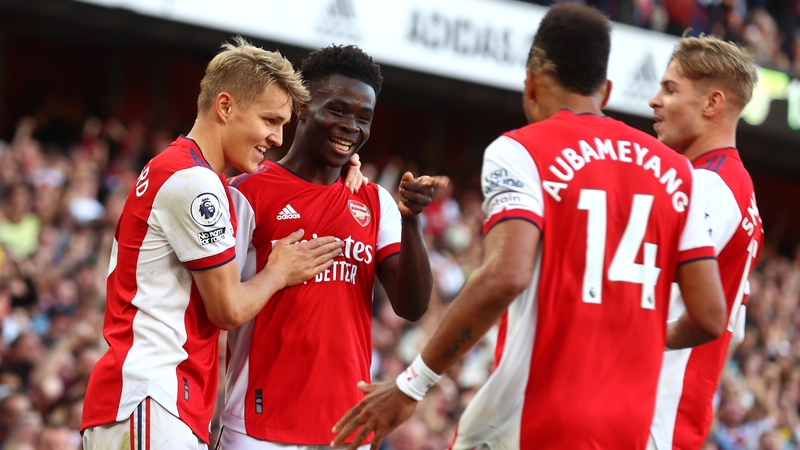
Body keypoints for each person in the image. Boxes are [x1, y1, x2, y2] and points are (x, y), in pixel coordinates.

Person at [331, 3, 728, 449]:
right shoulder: (677, 172)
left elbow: (506, 275)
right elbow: (711, 318)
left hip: (535, 415)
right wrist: (635, 334)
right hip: (630, 423)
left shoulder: (521, 150)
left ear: (531, 81)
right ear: (608, 90)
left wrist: (411, 384)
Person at [80, 37, 346, 450]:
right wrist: (279, 271)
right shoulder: (195, 182)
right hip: (154, 395)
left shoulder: (179, 167)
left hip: (148, 399)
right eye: (270, 120)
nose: (277, 138)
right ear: (225, 106)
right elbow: (228, 309)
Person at [220, 44, 446, 449]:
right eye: (338, 110)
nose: (351, 127)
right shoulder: (247, 192)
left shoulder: (376, 203)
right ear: (303, 107)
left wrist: (412, 221)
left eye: (364, 118)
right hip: (259, 426)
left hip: (347, 430)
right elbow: (222, 307)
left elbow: (411, 307)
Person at [648, 35, 764, 450]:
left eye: (670, 88)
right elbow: (735, 328)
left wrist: (634, 335)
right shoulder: (739, 191)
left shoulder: (707, 186)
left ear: (712, 103)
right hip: (678, 421)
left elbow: (709, 316)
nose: (653, 100)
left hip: (652, 417)